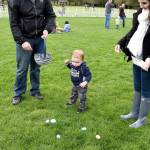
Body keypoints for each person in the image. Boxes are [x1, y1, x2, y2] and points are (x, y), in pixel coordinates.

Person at [8, 0, 56, 105]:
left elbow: (51, 16)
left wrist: (47, 29)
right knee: (22, 68)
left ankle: (35, 91)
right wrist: (22, 41)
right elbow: (13, 23)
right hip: (24, 39)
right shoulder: (14, 1)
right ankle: (18, 93)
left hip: (40, 39)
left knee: (36, 67)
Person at [115, 0, 150, 128]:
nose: (140, 5)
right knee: (137, 86)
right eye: (139, 2)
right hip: (136, 55)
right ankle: (134, 113)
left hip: (147, 59)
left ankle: (142, 119)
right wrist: (120, 43)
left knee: (146, 89)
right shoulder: (140, 13)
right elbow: (133, 31)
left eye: (144, 3)